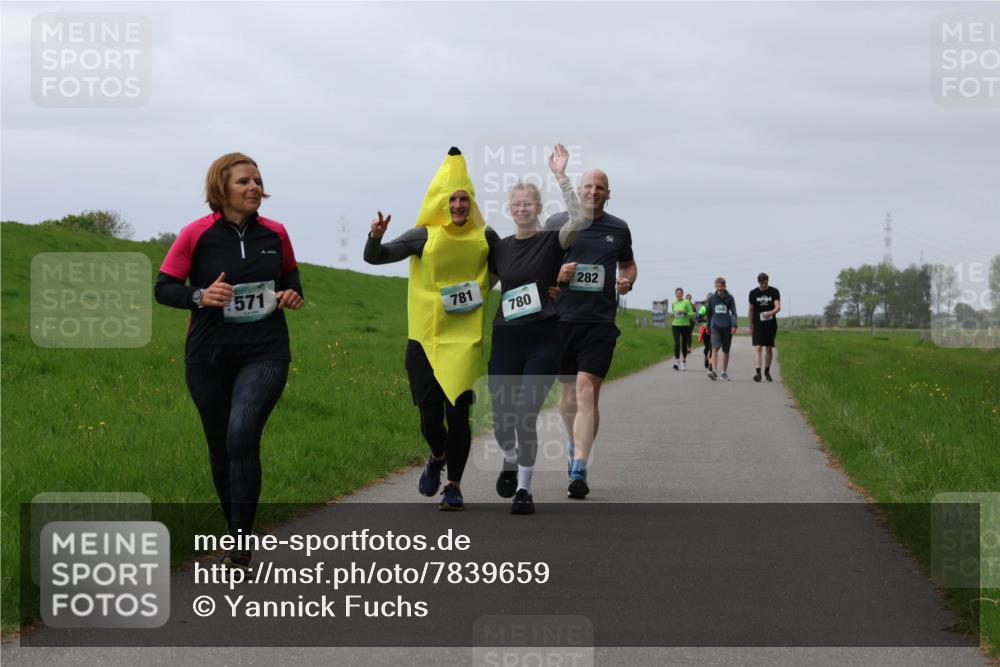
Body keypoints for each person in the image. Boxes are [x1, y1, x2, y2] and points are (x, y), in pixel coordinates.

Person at [155, 153, 304, 568]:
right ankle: (233, 525)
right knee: (221, 447)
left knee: (241, 434)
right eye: (244, 181)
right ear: (222, 189)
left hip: (265, 350)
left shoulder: (276, 233)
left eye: (257, 180)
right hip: (208, 355)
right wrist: (201, 296)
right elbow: (164, 288)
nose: (254, 187)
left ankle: (241, 539)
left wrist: (292, 295)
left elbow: (291, 280)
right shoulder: (195, 235)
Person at [364, 147, 499, 511]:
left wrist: (545, 279)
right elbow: (375, 257)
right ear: (441, 202)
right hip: (424, 338)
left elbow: (512, 267)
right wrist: (375, 236)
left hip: (464, 340)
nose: (458, 206)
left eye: (464, 199)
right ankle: (437, 456)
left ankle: (453, 485)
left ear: (471, 202)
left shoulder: (486, 237)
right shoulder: (422, 235)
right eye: (452, 199)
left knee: (458, 414)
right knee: (429, 415)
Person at [488, 144, 585, 514]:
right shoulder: (501, 248)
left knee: (526, 412)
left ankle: (524, 490)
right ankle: (510, 458)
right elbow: (484, 285)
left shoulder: (552, 241)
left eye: (529, 203)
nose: (523, 208)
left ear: (538, 208)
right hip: (507, 337)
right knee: (501, 419)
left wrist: (562, 177)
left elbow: (578, 220)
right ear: (511, 209)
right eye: (517, 204)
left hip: (544, 337)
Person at [544, 169, 637, 499]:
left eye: (600, 188)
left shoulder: (618, 229)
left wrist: (628, 281)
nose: (593, 192)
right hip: (562, 321)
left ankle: (580, 467)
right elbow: (538, 268)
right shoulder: (557, 223)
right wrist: (559, 272)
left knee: (587, 390)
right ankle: (574, 443)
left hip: (599, 323)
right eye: (588, 186)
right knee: (568, 395)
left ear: (608, 194)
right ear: (579, 191)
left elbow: (628, 265)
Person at [749, 272, 781, 382]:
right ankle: (758, 373)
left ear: (768, 281)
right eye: (762, 283)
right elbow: (751, 310)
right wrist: (750, 325)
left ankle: (767, 371)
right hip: (758, 324)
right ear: (758, 282)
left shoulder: (774, 291)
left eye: (766, 283)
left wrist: (771, 313)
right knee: (758, 348)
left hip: (770, 325)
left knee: (769, 349)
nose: (764, 285)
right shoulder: (753, 293)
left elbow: (778, 307)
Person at [706, 277, 737, 381]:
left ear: (725, 286)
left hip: (727, 327)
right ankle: (714, 370)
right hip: (715, 326)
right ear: (715, 286)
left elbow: (733, 312)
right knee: (715, 348)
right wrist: (708, 326)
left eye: (721, 286)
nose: (719, 288)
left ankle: (723, 372)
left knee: (726, 351)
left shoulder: (730, 298)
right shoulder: (712, 299)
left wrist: (734, 325)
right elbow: (709, 314)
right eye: (717, 286)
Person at [670, 288, 694, 370]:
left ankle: (684, 361)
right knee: (677, 343)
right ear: (675, 295)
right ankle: (677, 362)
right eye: (677, 293)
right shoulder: (673, 303)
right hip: (675, 325)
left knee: (684, 344)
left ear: (682, 294)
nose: (678, 294)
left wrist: (685, 313)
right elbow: (674, 312)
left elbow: (691, 314)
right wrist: (674, 315)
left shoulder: (686, 302)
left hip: (685, 325)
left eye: (680, 293)